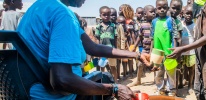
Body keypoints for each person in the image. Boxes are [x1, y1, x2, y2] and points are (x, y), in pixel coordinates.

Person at [17, 0, 150, 99]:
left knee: (104, 78)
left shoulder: (38, 8)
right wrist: (114, 89)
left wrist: (136, 55)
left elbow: (93, 47)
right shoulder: (62, 15)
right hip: (54, 95)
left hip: (27, 90)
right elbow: (61, 80)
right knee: (107, 80)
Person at [151, 0, 178, 96]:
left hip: (169, 51)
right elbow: (152, 37)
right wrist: (152, 52)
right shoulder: (154, 22)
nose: (162, 10)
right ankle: (160, 88)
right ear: (156, 9)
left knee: (171, 71)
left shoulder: (170, 20)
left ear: (167, 8)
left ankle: (172, 89)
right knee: (158, 71)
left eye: (164, 7)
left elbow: (175, 36)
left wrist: (174, 50)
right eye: (159, 8)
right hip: (157, 52)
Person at [129, 5, 156, 87]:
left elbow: (153, 39)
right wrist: (134, 46)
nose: (154, 13)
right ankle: (138, 80)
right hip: (145, 48)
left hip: (154, 49)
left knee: (154, 64)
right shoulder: (143, 25)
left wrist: (151, 51)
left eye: (154, 11)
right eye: (151, 12)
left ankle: (156, 81)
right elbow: (140, 36)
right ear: (145, 14)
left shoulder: (156, 24)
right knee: (140, 64)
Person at [95, 6, 119, 83]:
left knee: (113, 67)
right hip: (102, 51)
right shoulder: (98, 26)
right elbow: (97, 39)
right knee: (102, 66)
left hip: (111, 50)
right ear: (100, 16)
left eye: (108, 15)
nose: (106, 16)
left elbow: (115, 38)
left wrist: (116, 50)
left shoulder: (113, 26)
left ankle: (115, 81)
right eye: (104, 15)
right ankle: (103, 81)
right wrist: (97, 51)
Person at [180, 5, 195, 94]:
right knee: (181, 68)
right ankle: (181, 83)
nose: (189, 16)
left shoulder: (195, 25)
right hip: (181, 51)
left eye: (191, 14)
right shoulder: (180, 24)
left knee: (191, 69)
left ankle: (190, 86)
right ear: (183, 14)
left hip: (191, 52)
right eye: (187, 13)